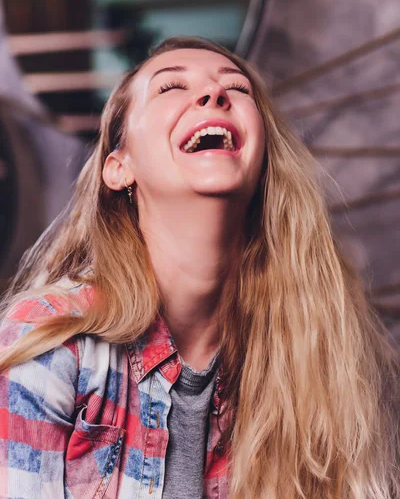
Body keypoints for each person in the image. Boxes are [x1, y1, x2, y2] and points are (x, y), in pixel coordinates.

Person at [0, 36, 398, 499]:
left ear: (265, 159)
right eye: (171, 88)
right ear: (118, 167)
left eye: (237, 88)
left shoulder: (307, 358)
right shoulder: (50, 343)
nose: (214, 95)